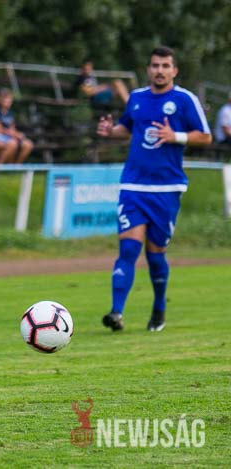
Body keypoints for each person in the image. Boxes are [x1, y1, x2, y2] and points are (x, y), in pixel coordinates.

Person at [96, 46, 211, 333]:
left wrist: (176, 136)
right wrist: (110, 131)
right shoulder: (136, 98)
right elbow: (127, 128)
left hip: (167, 188)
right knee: (128, 248)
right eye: (155, 65)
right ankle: (116, 312)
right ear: (148, 69)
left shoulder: (185, 99)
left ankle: (159, 307)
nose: (160, 70)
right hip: (133, 185)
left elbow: (206, 136)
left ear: (174, 70)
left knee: (155, 254)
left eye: (165, 66)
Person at [0, 89, 34, 163]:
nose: (9, 101)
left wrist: (17, 134)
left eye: (10, 99)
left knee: (28, 144)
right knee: (13, 144)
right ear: (0, 100)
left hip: (10, 136)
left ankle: (17, 165)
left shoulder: (10, 113)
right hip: (0, 136)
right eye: (7, 99)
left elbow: (12, 127)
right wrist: (14, 134)